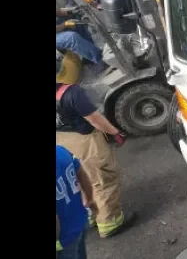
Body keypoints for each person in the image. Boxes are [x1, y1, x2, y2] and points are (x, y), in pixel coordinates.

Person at [55, 69, 133, 239]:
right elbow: (94, 119)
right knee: (102, 180)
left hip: (61, 144)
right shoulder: (72, 93)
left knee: (76, 182)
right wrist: (114, 132)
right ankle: (110, 223)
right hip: (86, 143)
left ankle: (89, 215)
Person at [56, 145, 95, 259]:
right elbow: (82, 175)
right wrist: (89, 199)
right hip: (80, 218)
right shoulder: (60, 151)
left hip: (63, 238)